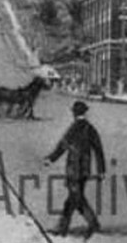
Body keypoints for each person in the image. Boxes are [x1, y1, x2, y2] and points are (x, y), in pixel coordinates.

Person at [43, 100, 105, 239]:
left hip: (73, 170)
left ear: (74, 113)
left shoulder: (73, 128)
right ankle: (63, 227)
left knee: (76, 198)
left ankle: (91, 224)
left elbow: (62, 146)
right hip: (84, 171)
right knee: (73, 199)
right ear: (85, 113)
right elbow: (98, 150)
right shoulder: (90, 128)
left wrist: (51, 159)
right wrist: (101, 171)